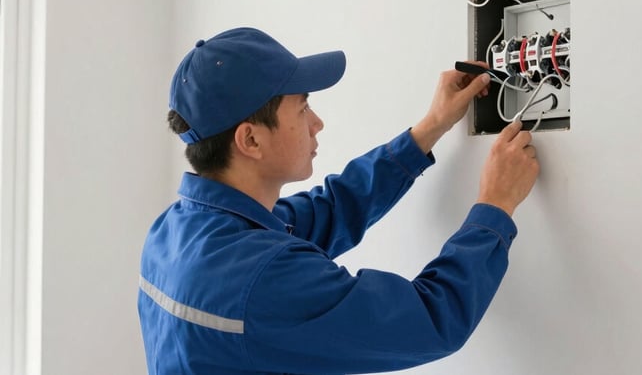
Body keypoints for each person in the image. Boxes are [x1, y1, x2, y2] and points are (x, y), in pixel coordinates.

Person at [138, 27, 539, 375]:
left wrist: (428, 130)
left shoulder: (176, 232)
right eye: (303, 106)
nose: (317, 122)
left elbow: (332, 209)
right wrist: (495, 205)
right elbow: (433, 319)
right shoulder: (260, 278)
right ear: (251, 140)